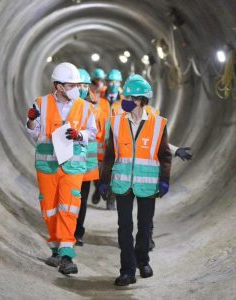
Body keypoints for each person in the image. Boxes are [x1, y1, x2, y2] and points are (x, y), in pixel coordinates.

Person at [99, 75, 172, 286]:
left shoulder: (158, 124)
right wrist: (105, 180)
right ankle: (127, 270)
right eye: (126, 96)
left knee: (145, 227)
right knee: (124, 227)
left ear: (141, 100)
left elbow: (164, 155)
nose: (126, 100)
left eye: (131, 96)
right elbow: (110, 155)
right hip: (122, 183)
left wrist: (164, 180)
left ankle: (143, 260)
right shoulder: (116, 122)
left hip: (147, 184)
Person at [26, 62, 97, 275]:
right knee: (50, 208)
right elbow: (33, 131)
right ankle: (56, 249)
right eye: (71, 85)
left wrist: (79, 135)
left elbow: (92, 132)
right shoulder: (41, 103)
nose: (76, 88)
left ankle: (67, 255)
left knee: (69, 207)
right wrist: (31, 121)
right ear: (58, 86)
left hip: (73, 164)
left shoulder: (85, 107)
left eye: (77, 84)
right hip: (47, 164)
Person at [74, 68, 109, 246]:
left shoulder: (97, 106)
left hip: (86, 161)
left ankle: (78, 232)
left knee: (81, 198)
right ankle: (66, 230)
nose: (81, 88)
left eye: (84, 85)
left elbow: (102, 131)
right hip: (67, 161)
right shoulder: (64, 105)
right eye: (78, 84)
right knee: (69, 198)